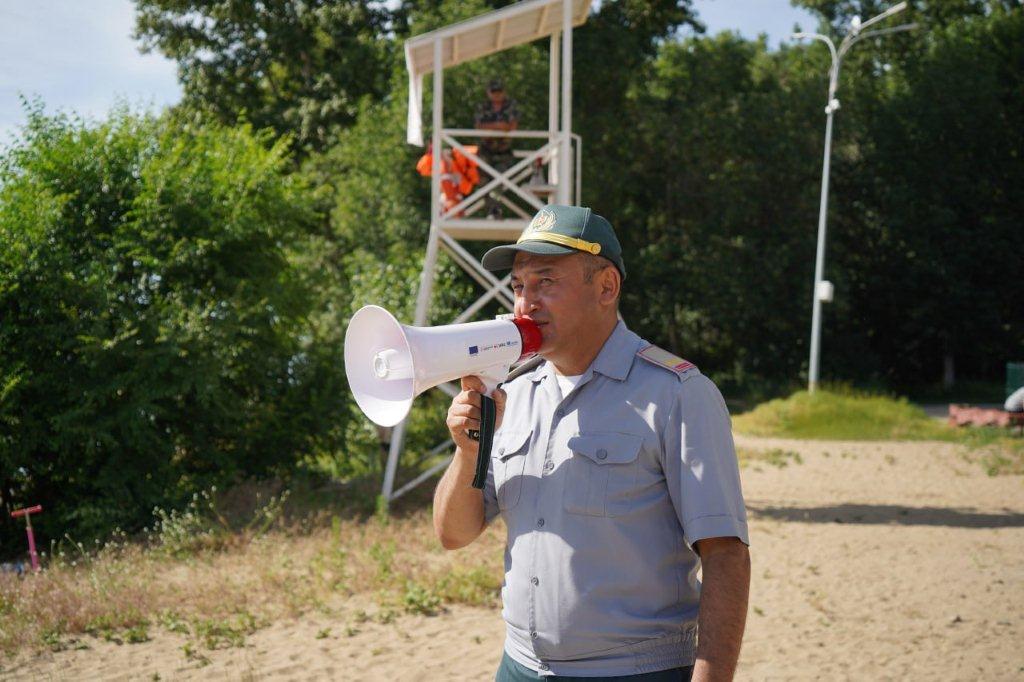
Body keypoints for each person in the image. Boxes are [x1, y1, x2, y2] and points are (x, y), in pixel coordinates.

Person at [433, 205, 751, 681]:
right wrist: (467, 452)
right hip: (518, 667)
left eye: (546, 281)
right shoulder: (512, 394)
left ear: (606, 287)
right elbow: (453, 535)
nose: (525, 304)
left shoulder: (677, 394)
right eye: (519, 286)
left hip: (634, 672)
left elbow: (726, 554)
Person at [474, 79, 520, 219]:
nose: (497, 95)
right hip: (485, 151)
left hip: (503, 151)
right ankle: (492, 210)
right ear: (488, 93)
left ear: (503, 92)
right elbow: (479, 126)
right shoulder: (483, 106)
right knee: (483, 181)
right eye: (494, 91)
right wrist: (500, 126)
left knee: (500, 179)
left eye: (499, 91)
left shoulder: (510, 105)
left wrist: (492, 126)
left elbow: (511, 126)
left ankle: (495, 210)